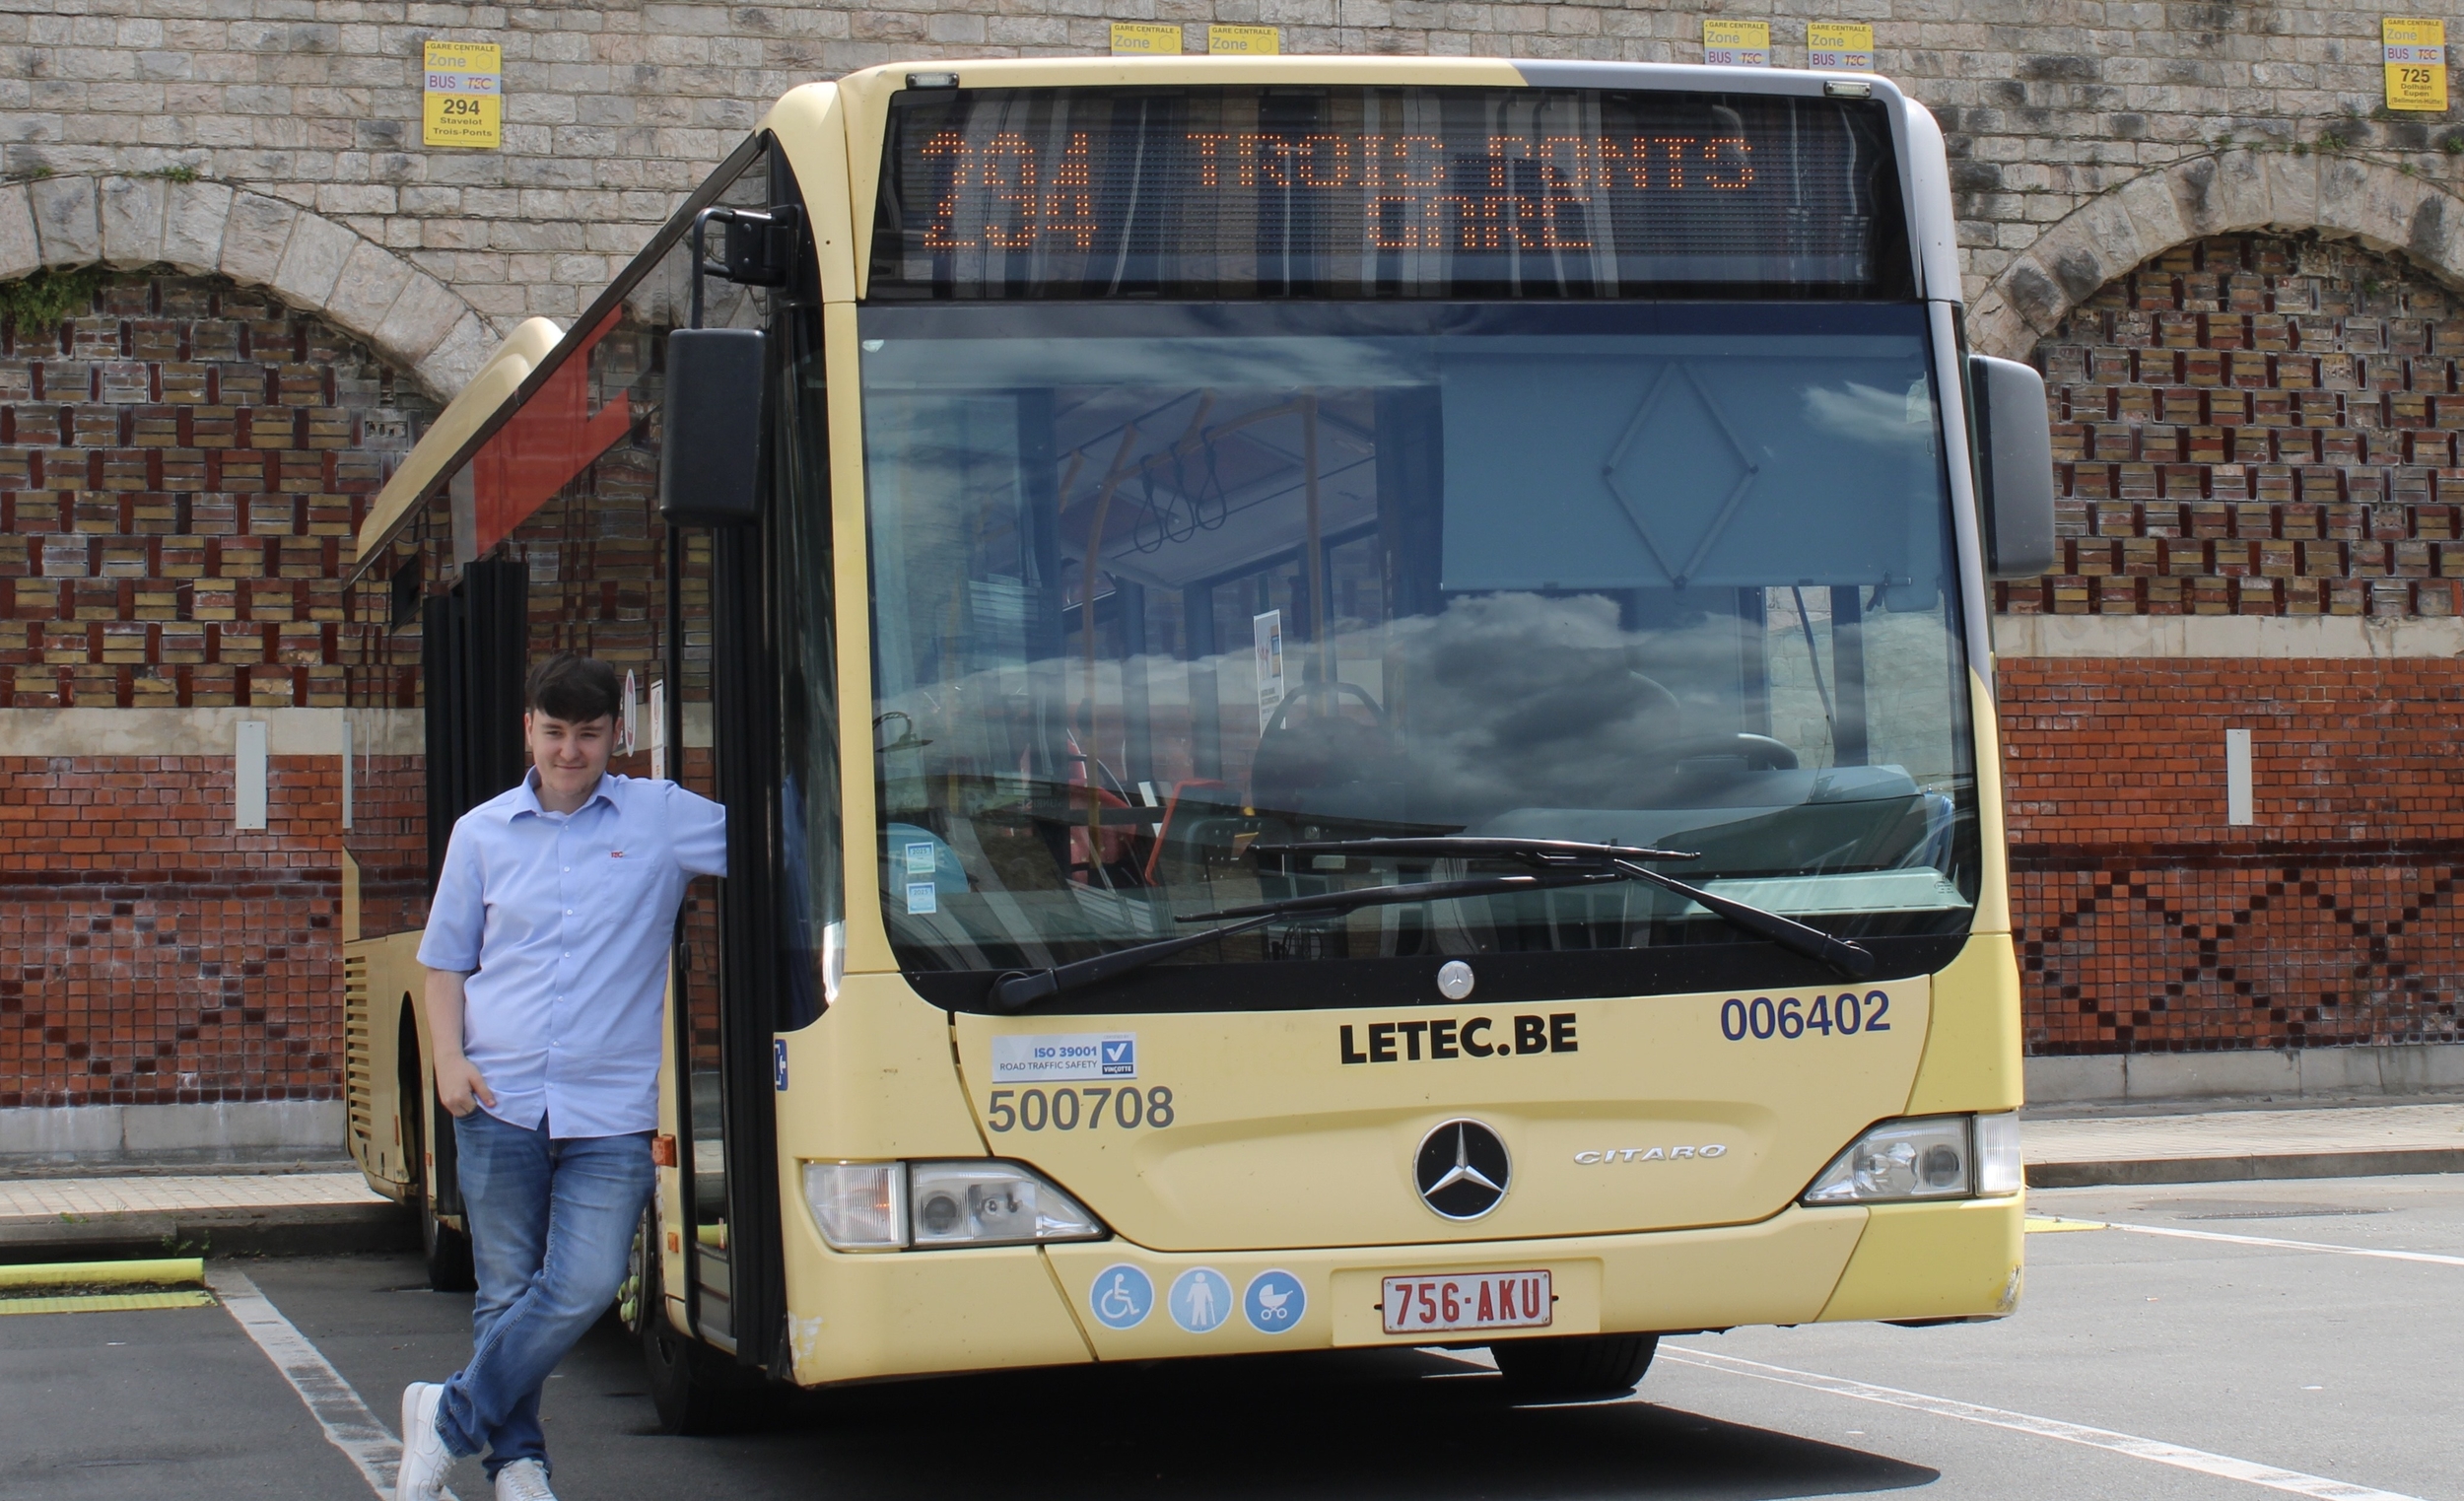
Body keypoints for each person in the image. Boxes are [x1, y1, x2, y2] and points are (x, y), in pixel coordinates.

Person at [396, 652, 725, 1501]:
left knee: (581, 1287)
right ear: (529, 731)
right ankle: (518, 1464)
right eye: (555, 732)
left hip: (610, 1109)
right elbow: (445, 965)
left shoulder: (663, 817)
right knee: (506, 1290)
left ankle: (445, 1416)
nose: (570, 750)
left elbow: (774, 837)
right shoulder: (481, 833)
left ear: (618, 734)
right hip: (498, 1098)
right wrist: (449, 1065)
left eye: (588, 733)